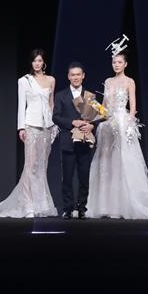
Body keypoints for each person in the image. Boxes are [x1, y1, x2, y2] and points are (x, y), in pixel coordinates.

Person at [0, 49, 57, 218]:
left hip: (47, 126)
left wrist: (53, 124)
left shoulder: (51, 80)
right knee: (30, 165)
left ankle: (41, 204)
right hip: (31, 124)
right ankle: (27, 205)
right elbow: (21, 105)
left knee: (42, 165)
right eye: (34, 61)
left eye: (40, 61)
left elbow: (51, 103)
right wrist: (21, 128)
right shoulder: (24, 81)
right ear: (31, 63)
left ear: (44, 62)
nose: (37, 64)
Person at [86, 52, 148, 219]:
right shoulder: (108, 81)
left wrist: (129, 124)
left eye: (119, 62)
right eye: (114, 62)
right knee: (107, 163)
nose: (116, 65)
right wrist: (93, 111)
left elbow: (133, 106)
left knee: (123, 161)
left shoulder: (129, 81)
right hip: (108, 123)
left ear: (125, 64)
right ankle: (107, 205)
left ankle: (125, 205)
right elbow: (104, 106)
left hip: (123, 123)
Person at [53, 62, 101, 219]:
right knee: (67, 177)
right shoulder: (61, 95)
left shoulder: (90, 96)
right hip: (68, 140)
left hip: (85, 141)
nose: (75, 77)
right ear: (68, 76)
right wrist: (72, 122)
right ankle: (68, 209)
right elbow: (56, 117)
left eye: (78, 74)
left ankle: (82, 208)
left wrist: (92, 125)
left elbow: (99, 116)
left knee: (84, 177)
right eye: (72, 75)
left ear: (83, 76)